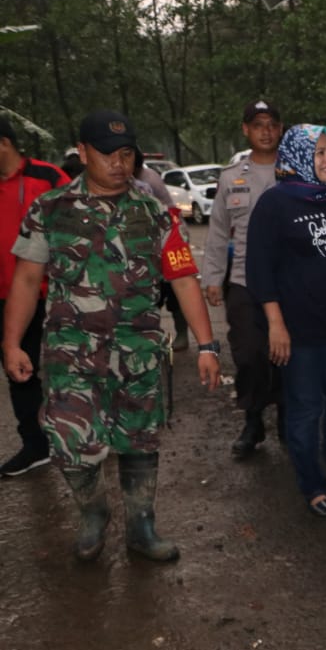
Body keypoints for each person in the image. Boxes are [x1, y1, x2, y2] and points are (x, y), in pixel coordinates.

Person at [2, 110, 220, 562]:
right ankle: (93, 511)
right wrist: (11, 343)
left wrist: (207, 344)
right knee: (68, 443)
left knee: (139, 439)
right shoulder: (51, 209)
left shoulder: (154, 211)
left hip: (137, 351)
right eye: (107, 154)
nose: (119, 163)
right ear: (82, 153)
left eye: (126, 154)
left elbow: (182, 278)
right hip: (70, 353)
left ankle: (141, 526)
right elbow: (26, 280)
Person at [246, 125, 326, 518]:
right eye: (318, 151)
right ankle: (312, 484)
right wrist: (275, 324)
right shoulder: (274, 205)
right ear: (299, 154)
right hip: (297, 330)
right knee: (305, 409)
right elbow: (259, 272)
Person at [203, 100, 284, 459]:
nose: (266, 130)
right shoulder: (231, 178)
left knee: (288, 355)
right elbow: (219, 232)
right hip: (244, 281)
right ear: (245, 130)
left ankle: (288, 417)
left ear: (280, 128)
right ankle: (253, 419)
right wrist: (212, 278)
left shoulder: (296, 171)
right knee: (249, 353)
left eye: (272, 124)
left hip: (291, 283)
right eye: (258, 124)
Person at [0, 117, 69, 476]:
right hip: (8, 298)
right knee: (19, 369)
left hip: (53, 293)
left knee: (75, 365)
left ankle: (99, 434)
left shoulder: (48, 178)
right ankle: (35, 444)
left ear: (5, 143)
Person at [134, 158, 191, 351]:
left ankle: (182, 334)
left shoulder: (148, 180)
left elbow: (168, 211)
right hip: (143, 251)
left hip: (166, 242)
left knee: (176, 293)